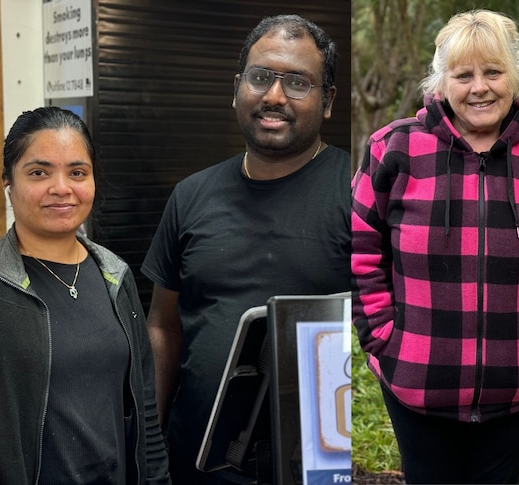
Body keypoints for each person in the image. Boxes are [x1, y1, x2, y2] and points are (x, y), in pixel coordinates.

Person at [351, 9, 519, 484]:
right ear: (441, 82)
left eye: (493, 71)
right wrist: (383, 338)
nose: (479, 87)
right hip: (416, 376)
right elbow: (361, 251)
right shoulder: (394, 149)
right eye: (463, 74)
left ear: (517, 77)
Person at [142, 14, 352, 484]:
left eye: (298, 82)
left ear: (329, 100)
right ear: (237, 87)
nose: (274, 96)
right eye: (261, 77)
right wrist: (150, 444)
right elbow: (163, 325)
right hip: (195, 462)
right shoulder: (191, 196)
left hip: (322, 467)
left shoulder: (359, 190)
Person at [0, 106, 171, 485]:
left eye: (77, 172)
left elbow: (145, 413)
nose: (61, 188)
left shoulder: (115, 276)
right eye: (39, 172)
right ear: (8, 182)